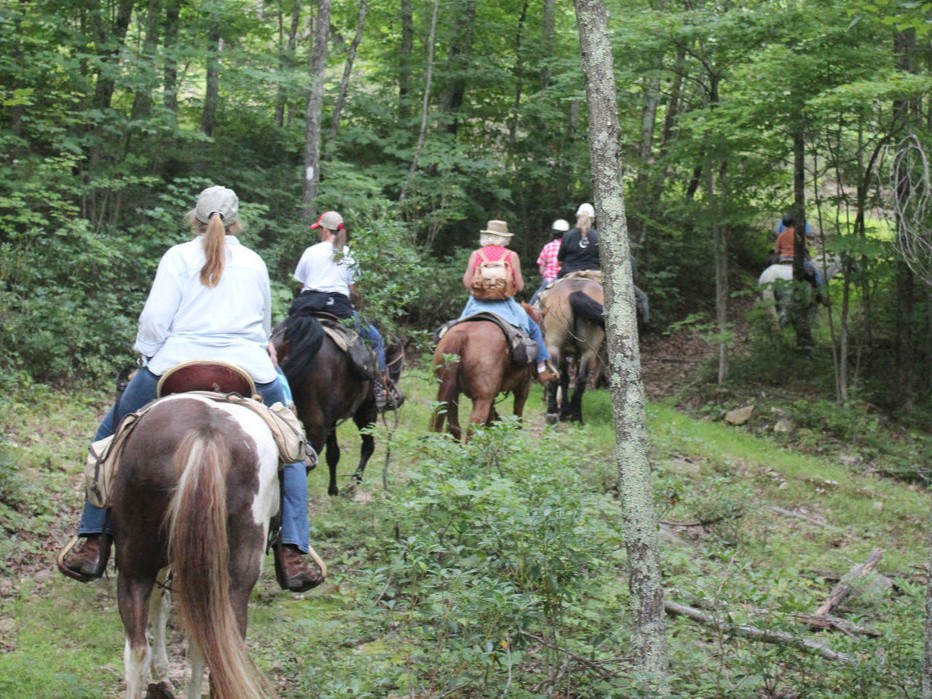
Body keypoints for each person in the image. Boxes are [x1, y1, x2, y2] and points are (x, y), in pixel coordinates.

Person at [56, 186, 323, 592]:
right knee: (292, 443)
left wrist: (147, 354)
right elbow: (262, 320)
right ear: (237, 222)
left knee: (109, 434)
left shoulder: (176, 256)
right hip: (247, 367)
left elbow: (153, 321)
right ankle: (293, 548)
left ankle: (92, 537)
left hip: (174, 364)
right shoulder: (253, 261)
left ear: (195, 219)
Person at [291, 210, 398, 409]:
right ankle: (380, 388)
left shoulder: (310, 251)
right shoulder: (349, 254)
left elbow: (301, 283)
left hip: (307, 306)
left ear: (323, 229)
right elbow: (353, 288)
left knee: (278, 335)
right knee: (377, 341)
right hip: (339, 309)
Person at [459, 219, 556, 383]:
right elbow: (519, 286)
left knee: (453, 327)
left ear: (487, 236)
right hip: (504, 305)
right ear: (504, 238)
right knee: (534, 329)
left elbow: (467, 283)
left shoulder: (476, 254)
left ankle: (442, 362)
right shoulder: (511, 256)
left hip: (476, 304)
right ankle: (541, 369)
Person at [772, 213, 825, 290]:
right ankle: (820, 293)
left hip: (783, 258)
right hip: (797, 258)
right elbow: (805, 247)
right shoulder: (798, 235)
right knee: (816, 272)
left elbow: (777, 250)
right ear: (794, 223)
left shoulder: (781, 235)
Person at [529, 218, 569, 306]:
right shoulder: (569, 248)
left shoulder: (547, 247)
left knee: (532, 304)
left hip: (548, 281)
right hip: (564, 280)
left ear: (553, 233)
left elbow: (541, 270)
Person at [557, 203, 601, 278]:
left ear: (577, 217)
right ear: (593, 219)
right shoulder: (599, 237)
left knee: (549, 288)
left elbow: (560, 261)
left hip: (569, 272)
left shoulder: (568, 236)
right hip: (594, 273)